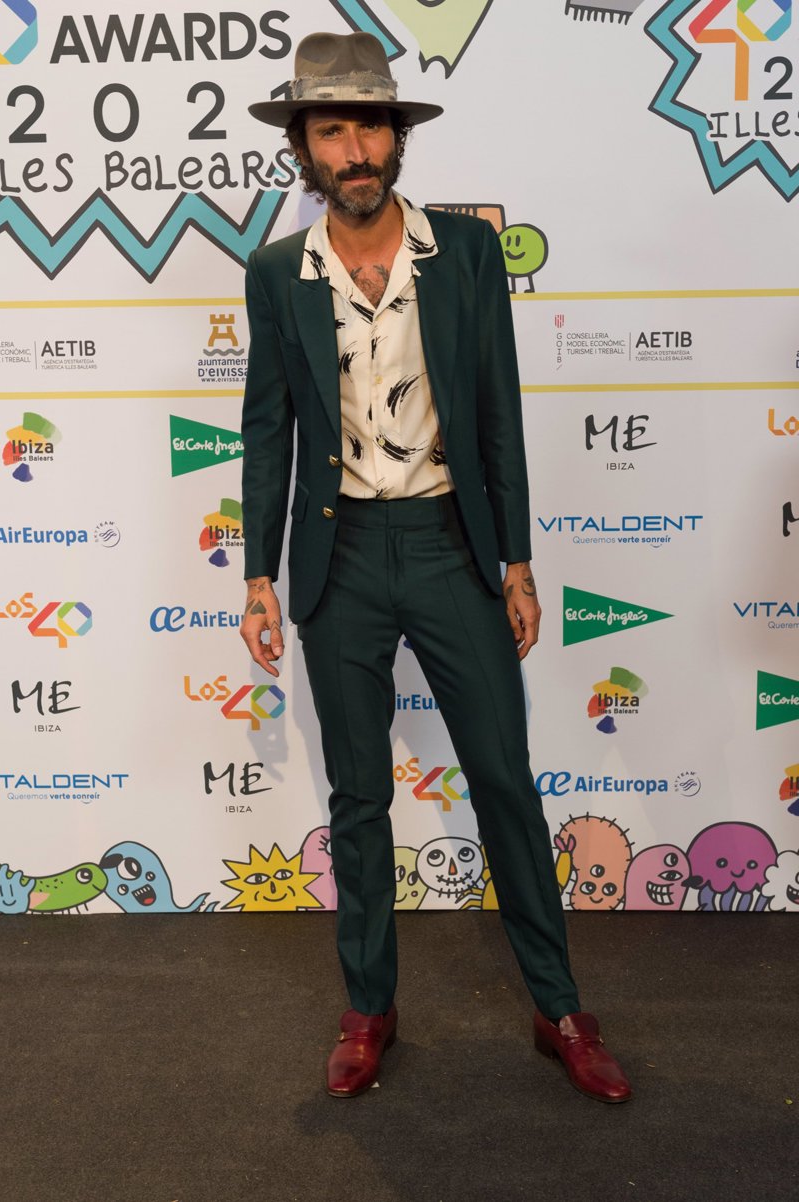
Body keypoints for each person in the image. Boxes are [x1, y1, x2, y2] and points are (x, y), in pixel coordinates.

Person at [240, 30, 631, 1104]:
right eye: (332, 131)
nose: (354, 149)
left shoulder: (462, 252)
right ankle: (369, 1008)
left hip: (451, 546)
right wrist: (258, 574)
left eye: (370, 126)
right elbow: (267, 427)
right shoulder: (276, 272)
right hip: (339, 558)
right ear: (305, 149)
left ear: (396, 137)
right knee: (359, 795)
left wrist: (516, 559)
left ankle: (559, 1008)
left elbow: (498, 408)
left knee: (502, 775)